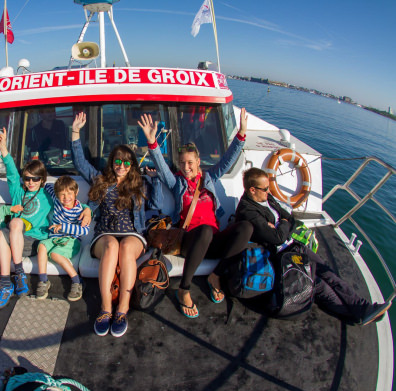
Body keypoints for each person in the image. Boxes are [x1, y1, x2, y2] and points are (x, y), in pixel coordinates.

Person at [234, 167, 391, 325]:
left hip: (292, 245)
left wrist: (280, 224)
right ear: (252, 190)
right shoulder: (248, 211)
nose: (269, 191)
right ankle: (354, 314)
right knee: (317, 283)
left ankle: (363, 308)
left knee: (327, 271)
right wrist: (283, 224)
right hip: (280, 255)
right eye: (265, 189)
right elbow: (277, 238)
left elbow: (289, 217)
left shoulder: (267, 199)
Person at [138, 109, 253, 319]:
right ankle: (184, 288)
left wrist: (241, 135)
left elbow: (227, 160)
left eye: (190, 162)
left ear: (198, 162)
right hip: (191, 241)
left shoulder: (208, 179)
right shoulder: (177, 183)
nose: (186, 167)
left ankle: (215, 276)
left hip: (213, 241)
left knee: (246, 228)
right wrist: (152, 142)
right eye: (182, 163)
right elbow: (162, 169)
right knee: (206, 231)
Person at [72, 111, 162, 338]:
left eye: (126, 162)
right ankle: (106, 307)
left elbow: (158, 203)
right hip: (105, 234)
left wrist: (155, 171)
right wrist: (75, 132)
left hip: (133, 233)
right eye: (117, 162)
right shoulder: (101, 180)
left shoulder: (140, 184)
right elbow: (80, 162)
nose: (121, 166)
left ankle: (122, 308)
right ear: (112, 163)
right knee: (112, 246)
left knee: (125, 248)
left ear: (131, 165)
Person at [0, 128, 56, 310]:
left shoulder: (47, 195)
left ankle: (16, 273)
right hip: (14, 240)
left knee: (15, 222)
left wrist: (87, 210)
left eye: (35, 179)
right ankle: (7, 282)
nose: (31, 182)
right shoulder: (18, 192)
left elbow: (69, 199)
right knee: (2, 235)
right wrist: (3, 149)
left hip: (33, 241)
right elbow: (11, 172)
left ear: (42, 180)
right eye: (27, 178)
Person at [36, 176, 91, 301]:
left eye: (70, 193)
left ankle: (77, 281)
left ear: (76, 193)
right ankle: (43, 281)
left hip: (71, 241)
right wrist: (40, 182)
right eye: (62, 194)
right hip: (54, 238)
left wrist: (63, 227)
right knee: (42, 246)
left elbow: (84, 230)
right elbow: (48, 186)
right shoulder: (56, 199)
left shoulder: (79, 211)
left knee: (54, 254)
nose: (66, 198)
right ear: (57, 194)